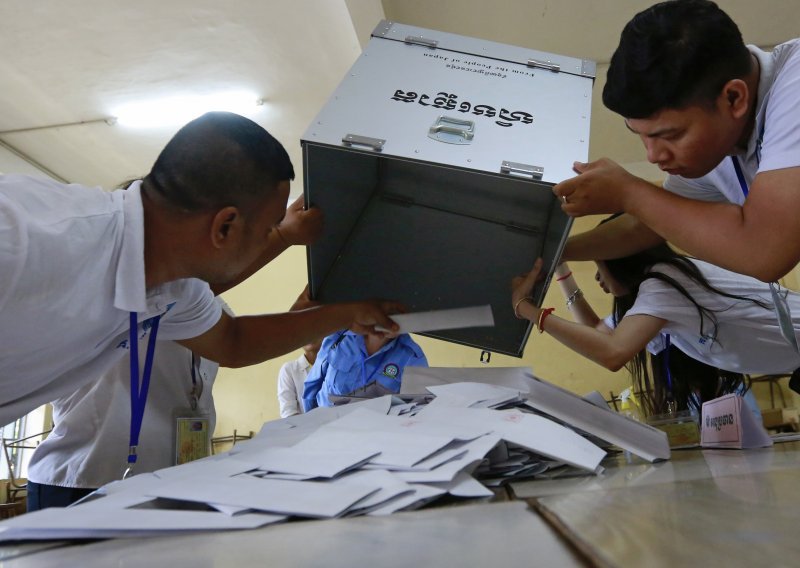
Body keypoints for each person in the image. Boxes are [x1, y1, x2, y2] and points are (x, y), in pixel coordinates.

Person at [0, 111, 402, 427]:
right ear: (225, 226)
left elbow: (234, 341)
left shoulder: (173, 289)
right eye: (266, 229)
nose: (269, 239)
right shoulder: (29, 237)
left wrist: (350, 313)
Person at [552, 0, 800, 284]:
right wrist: (556, 253)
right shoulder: (718, 146)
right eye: (641, 135)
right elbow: (645, 225)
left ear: (734, 98)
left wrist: (629, 193)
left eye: (670, 136)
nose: (653, 156)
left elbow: (765, 253)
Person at [511, 224, 800, 415]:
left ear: (621, 261)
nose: (598, 277)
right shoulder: (659, 298)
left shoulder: (664, 285)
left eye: (600, 266)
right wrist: (562, 273)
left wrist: (526, 309)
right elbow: (599, 334)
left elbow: (611, 354)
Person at [303, 330, 428, 410]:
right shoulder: (339, 337)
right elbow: (312, 387)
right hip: (325, 432)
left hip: (374, 441)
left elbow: (417, 413)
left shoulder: (413, 357)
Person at [277, 340, 321, 418]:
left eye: (313, 331)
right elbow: (288, 413)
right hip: (305, 429)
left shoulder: (334, 365)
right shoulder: (289, 369)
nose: (310, 337)